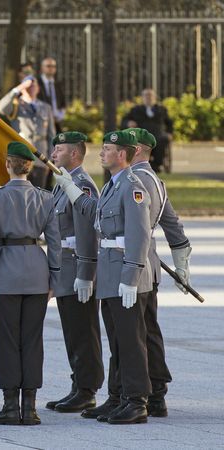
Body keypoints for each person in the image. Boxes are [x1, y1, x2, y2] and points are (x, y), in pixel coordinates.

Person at [54, 129, 153, 425]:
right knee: (117, 341)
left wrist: (132, 276)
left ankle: (137, 401)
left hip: (125, 274)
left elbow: (139, 234)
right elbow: (93, 213)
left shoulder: (132, 187)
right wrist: (71, 190)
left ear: (122, 154)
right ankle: (117, 396)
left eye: (107, 148)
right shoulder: (112, 185)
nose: (101, 152)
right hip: (110, 275)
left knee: (131, 341)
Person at [0, 142, 61, 426]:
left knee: (9, 341)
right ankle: (31, 407)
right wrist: (55, 277)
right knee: (32, 340)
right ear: (29, 167)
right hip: (37, 273)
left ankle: (10, 405)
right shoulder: (46, 197)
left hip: (6, 274)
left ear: (7, 165)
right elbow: (55, 242)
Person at [121, 127, 191, 417]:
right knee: (148, 330)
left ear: (136, 150)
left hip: (134, 265)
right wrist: (181, 262)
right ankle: (157, 391)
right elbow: (173, 225)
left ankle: (146, 393)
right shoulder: (156, 181)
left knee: (136, 333)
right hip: (149, 266)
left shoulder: (136, 179)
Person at [47, 131, 104, 413]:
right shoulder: (63, 183)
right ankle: (77, 384)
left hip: (76, 268)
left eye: (59, 149)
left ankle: (87, 389)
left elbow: (86, 232)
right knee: (72, 330)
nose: (54, 153)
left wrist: (86, 273)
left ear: (75, 154)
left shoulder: (81, 184)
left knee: (83, 331)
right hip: (64, 267)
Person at [0, 75, 55, 189]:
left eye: (34, 85)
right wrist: (18, 88)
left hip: (40, 156)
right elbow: (1, 108)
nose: (31, 87)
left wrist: (49, 160)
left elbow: (51, 135)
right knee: (21, 191)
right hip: (21, 156)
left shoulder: (46, 107)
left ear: (38, 88)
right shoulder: (16, 105)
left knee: (39, 192)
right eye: (28, 85)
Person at [121, 89, 173, 172]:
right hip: (141, 136)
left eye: (150, 96)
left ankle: (157, 165)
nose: (148, 98)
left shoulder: (161, 109)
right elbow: (124, 121)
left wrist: (170, 133)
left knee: (164, 139)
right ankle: (142, 163)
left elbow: (169, 123)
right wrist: (128, 123)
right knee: (137, 143)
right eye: (146, 96)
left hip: (158, 135)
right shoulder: (135, 110)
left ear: (155, 98)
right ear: (142, 98)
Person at [37, 57, 66, 133]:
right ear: (42, 68)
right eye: (48, 66)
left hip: (57, 122)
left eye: (53, 66)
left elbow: (63, 103)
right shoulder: (36, 83)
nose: (51, 68)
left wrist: (60, 115)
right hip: (41, 122)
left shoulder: (58, 84)